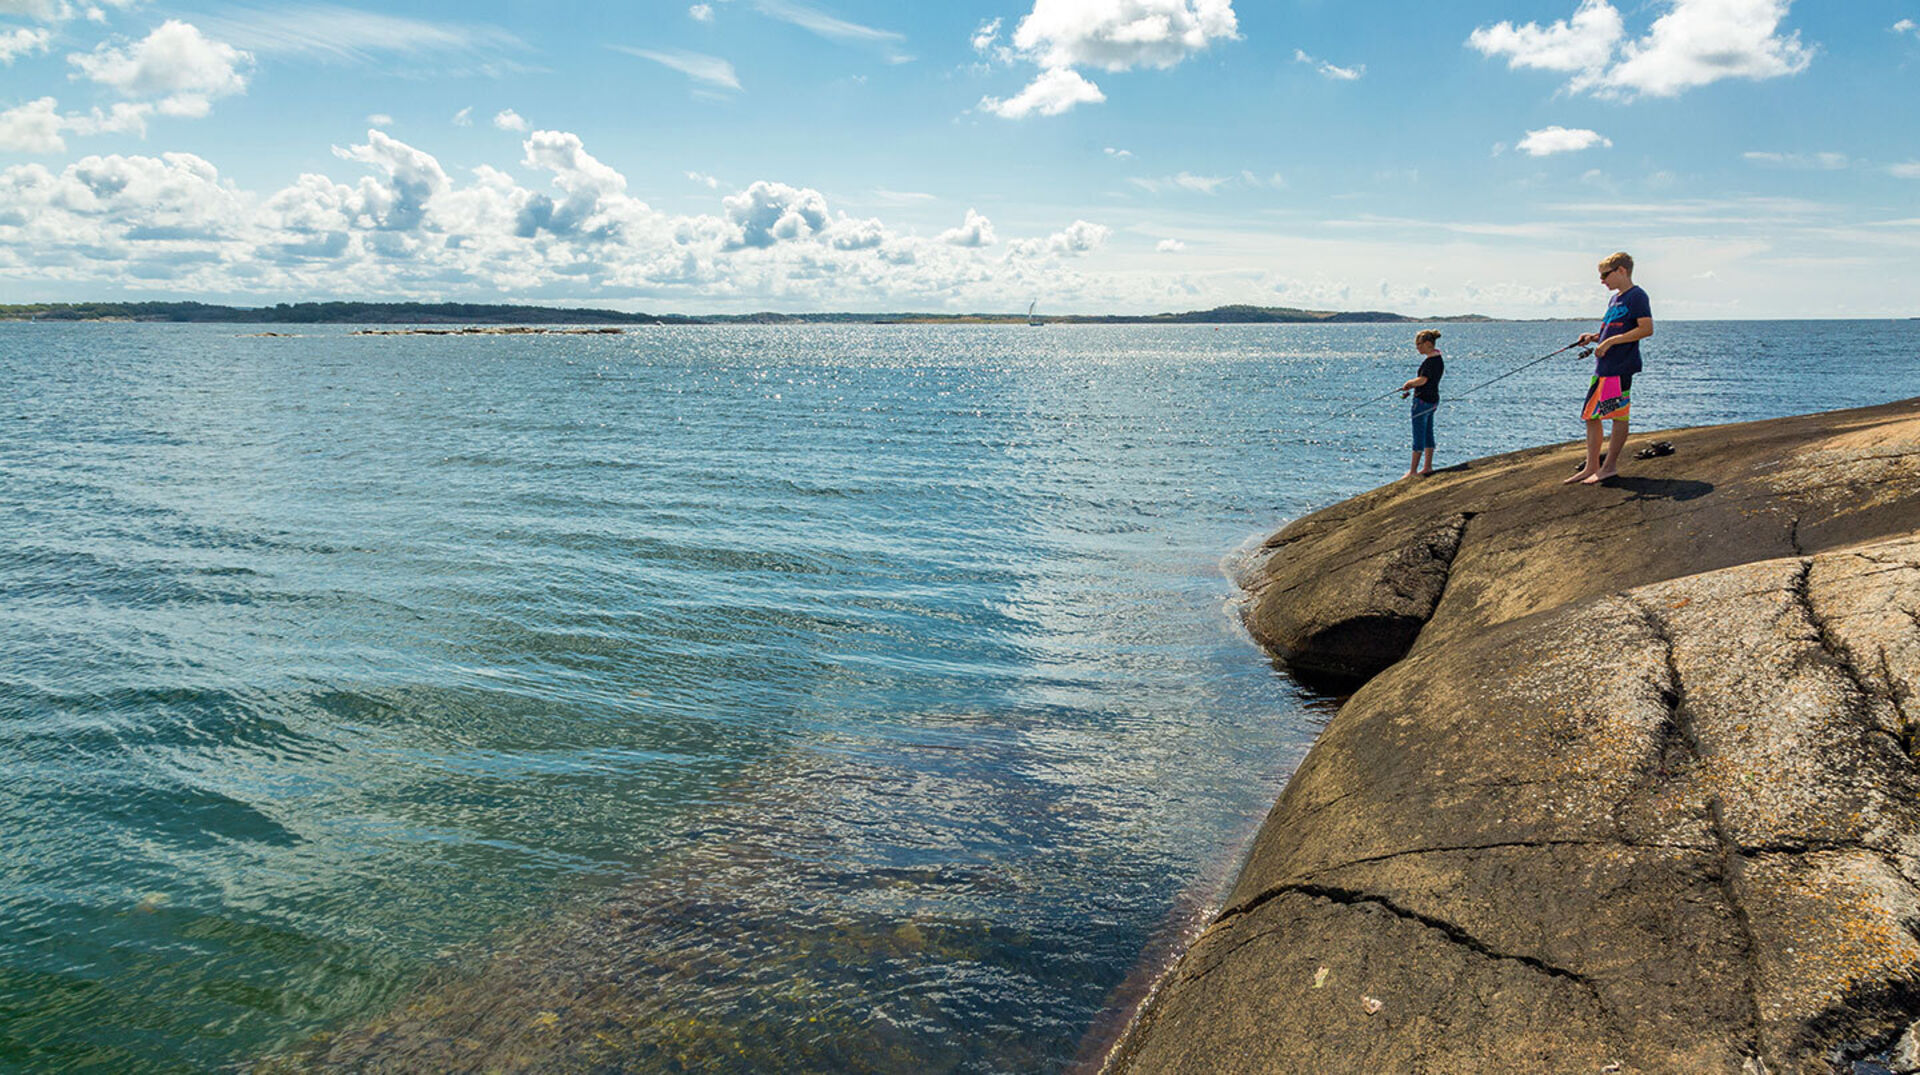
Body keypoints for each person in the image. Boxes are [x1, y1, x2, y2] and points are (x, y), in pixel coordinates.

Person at [1565, 251, 1652, 485]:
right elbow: (1612, 330)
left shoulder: (1637, 296)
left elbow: (1646, 329)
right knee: (1591, 416)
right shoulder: (1615, 299)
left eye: (1605, 275)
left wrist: (1610, 342)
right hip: (1603, 368)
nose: (1602, 280)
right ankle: (1592, 465)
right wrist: (1594, 337)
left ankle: (1609, 466)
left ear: (1621, 271)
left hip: (1619, 367)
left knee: (1616, 415)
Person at [1399, 329, 1444, 479]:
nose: (1417, 348)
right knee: (1428, 434)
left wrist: (1409, 383)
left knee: (1418, 435)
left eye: (1419, 344)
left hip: (1422, 401)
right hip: (1433, 401)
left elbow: (1423, 380)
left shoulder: (1429, 362)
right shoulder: (1438, 359)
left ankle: (1413, 471)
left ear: (1428, 344)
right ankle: (1427, 466)